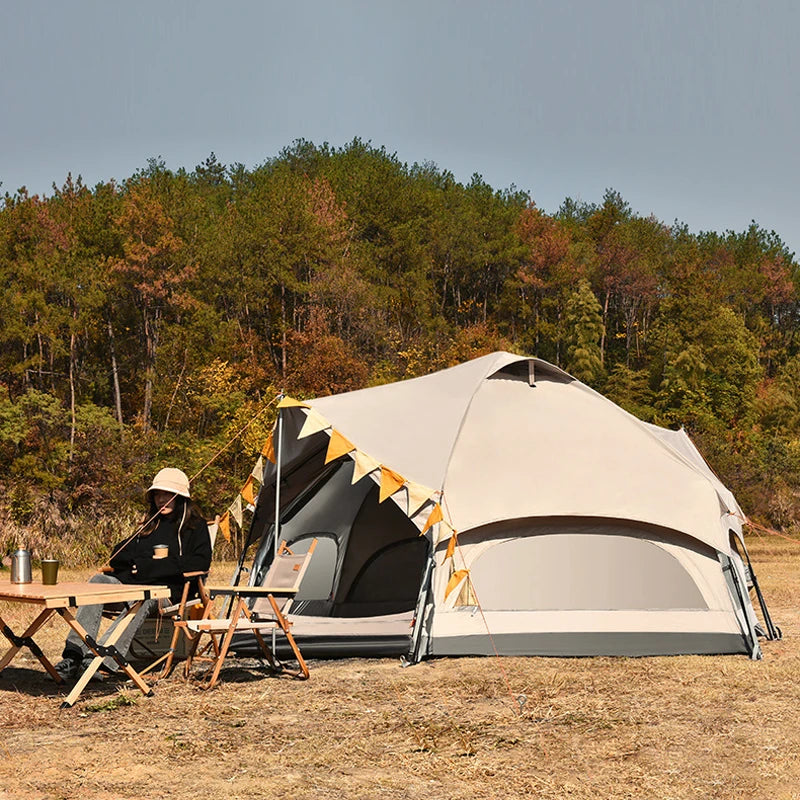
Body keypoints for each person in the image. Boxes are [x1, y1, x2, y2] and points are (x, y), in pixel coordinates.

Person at [55, 467, 213, 681]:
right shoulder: (150, 525)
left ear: (180, 497)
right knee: (99, 581)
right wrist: (140, 564)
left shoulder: (195, 526)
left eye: (167, 494)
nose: (161, 500)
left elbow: (200, 563)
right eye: (158, 494)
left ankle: (104, 658)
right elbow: (118, 556)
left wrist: (149, 567)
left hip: (169, 594)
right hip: (133, 587)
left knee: (145, 597)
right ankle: (74, 655)